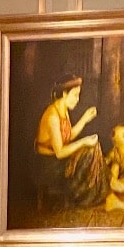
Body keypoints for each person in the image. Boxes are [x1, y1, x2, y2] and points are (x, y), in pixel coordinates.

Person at [33, 74, 109, 210]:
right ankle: (90, 195)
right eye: (75, 95)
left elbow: (67, 137)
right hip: (49, 165)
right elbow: (60, 153)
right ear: (64, 94)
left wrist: (84, 119)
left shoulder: (63, 110)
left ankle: (103, 192)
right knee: (90, 151)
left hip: (58, 160)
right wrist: (83, 142)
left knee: (94, 147)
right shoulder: (52, 117)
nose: (77, 99)